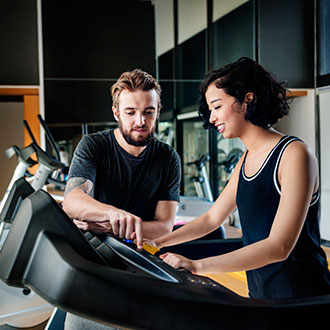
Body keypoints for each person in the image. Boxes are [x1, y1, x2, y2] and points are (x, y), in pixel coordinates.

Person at [150, 57, 330, 300]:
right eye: (210, 109)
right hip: (261, 294)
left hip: (301, 297)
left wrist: (196, 265)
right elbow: (212, 218)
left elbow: (279, 246)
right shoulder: (245, 161)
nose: (212, 118)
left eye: (217, 106)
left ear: (248, 99)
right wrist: (160, 242)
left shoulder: (293, 154)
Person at [62, 69, 181, 329]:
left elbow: (164, 226)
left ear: (158, 111)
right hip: (94, 262)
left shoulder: (167, 158)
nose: (140, 121)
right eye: (130, 112)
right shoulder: (93, 146)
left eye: (148, 112)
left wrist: (106, 224)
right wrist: (114, 215)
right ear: (116, 113)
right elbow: (72, 201)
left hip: (139, 265)